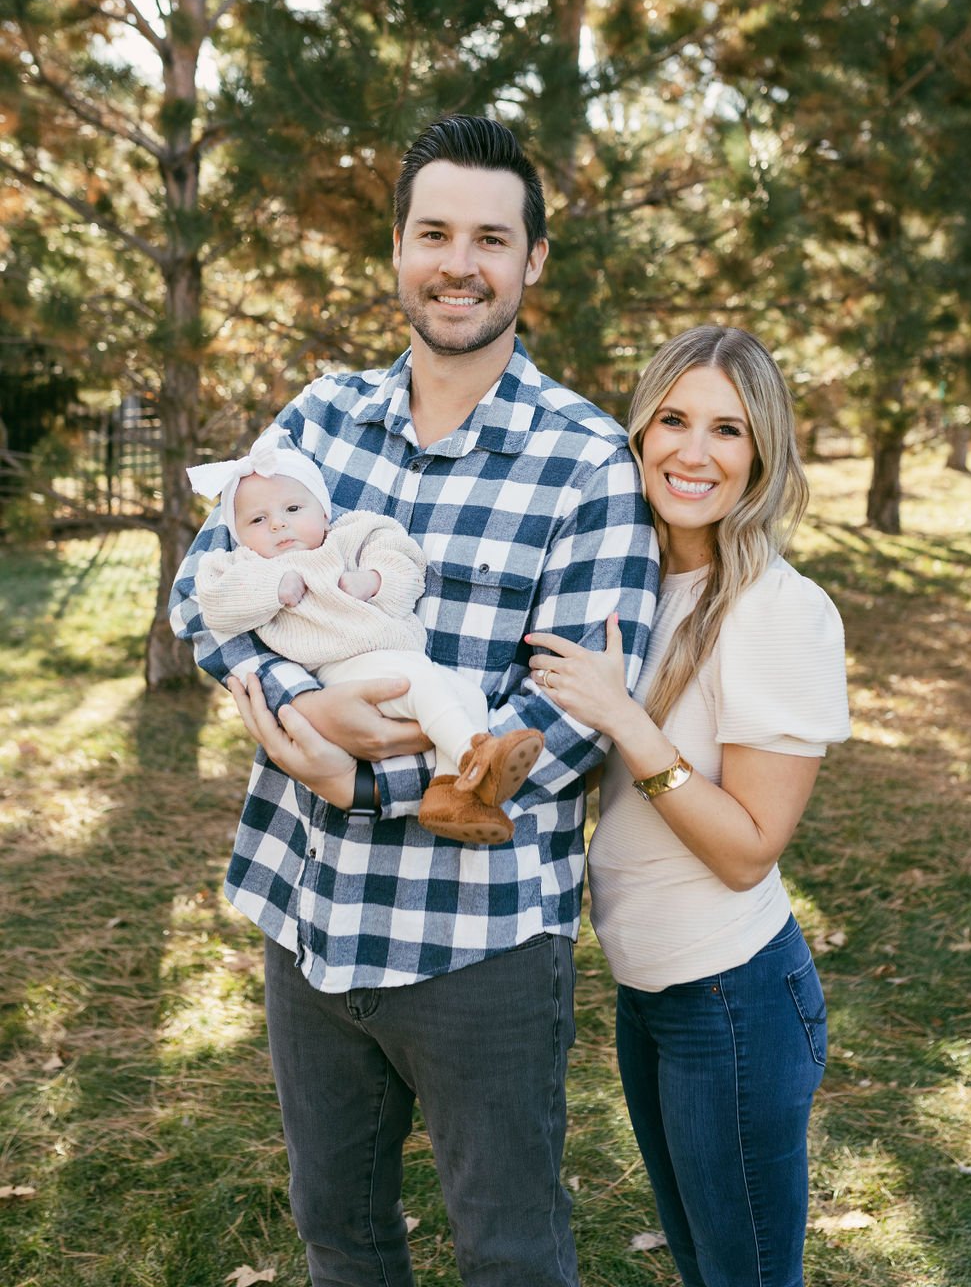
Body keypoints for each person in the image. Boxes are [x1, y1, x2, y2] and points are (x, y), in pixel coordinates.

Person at [169, 114, 660, 1287]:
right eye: (433, 232)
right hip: (310, 913)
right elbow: (205, 589)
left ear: (532, 262)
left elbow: (576, 712)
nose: (460, 262)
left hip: (478, 941)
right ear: (395, 248)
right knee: (339, 1234)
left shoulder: (587, 461)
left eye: (491, 238)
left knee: (511, 1250)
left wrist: (368, 776)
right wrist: (304, 714)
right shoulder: (316, 421)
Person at [525, 325, 850, 1287]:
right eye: (672, 419)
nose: (692, 453)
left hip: (734, 999)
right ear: (638, 429)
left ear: (762, 456)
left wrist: (629, 722)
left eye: (727, 431)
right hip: (648, 994)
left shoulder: (780, 610)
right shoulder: (635, 582)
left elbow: (749, 849)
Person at [186, 431, 545, 844]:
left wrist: (373, 580)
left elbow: (406, 562)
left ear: (324, 512)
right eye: (257, 520)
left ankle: (450, 795)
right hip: (343, 670)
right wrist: (272, 588)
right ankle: (475, 756)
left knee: (470, 696)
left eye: (292, 508)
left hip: (398, 656)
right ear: (239, 536)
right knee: (422, 686)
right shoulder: (244, 565)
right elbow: (213, 604)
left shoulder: (351, 536)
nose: (278, 523)